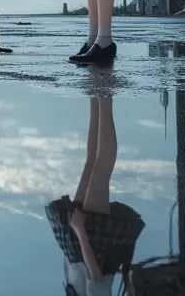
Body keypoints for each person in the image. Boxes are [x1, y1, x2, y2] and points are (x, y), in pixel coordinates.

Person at [45, 91, 144, 296]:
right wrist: (80, 230)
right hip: (92, 245)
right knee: (101, 167)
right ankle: (105, 95)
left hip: (77, 246)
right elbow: (96, 278)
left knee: (91, 162)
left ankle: (96, 90)